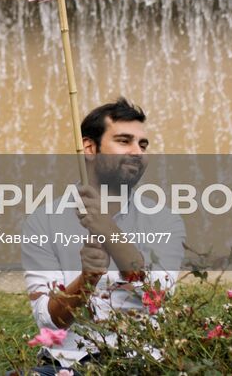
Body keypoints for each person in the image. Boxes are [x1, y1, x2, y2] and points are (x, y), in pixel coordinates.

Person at [22, 97, 185, 373]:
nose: (137, 152)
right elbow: (49, 319)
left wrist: (107, 228)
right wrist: (87, 278)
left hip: (141, 361)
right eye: (124, 141)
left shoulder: (164, 219)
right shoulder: (43, 221)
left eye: (142, 144)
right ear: (89, 148)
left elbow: (157, 293)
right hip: (65, 364)